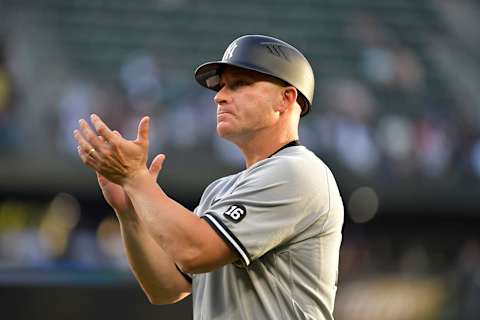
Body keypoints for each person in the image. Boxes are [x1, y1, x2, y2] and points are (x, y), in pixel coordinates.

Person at [73, 34, 344, 320]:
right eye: (221, 86)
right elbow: (166, 288)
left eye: (240, 83)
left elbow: (195, 251)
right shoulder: (220, 190)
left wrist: (136, 179)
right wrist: (129, 211)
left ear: (286, 98)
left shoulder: (299, 171)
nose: (219, 96)